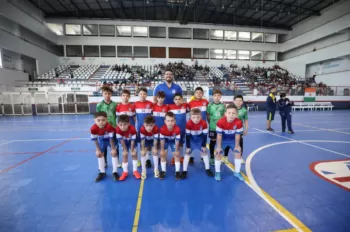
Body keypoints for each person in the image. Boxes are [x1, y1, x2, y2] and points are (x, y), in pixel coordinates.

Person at [215, 105, 244, 181]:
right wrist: (218, 147)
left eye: (233, 113)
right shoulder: (220, 122)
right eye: (229, 113)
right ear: (225, 114)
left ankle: (237, 172)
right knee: (218, 153)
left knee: (238, 152)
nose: (231, 115)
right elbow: (219, 135)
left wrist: (237, 146)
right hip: (222, 141)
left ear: (236, 114)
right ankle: (217, 172)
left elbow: (238, 136)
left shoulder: (239, 122)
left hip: (233, 141)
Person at [183, 108, 214, 179]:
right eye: (193, 117)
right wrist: (188, 147)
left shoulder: (204, 123)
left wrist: (203, 145)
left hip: (200, 141)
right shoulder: (188, 123)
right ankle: (184, 171)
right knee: (187, 154)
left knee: (205, 152)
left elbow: (204, 135)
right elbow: (187, 136)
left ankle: (207, 169)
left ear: (201, 117)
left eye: (198, 117)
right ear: (190, 117)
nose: (196, 119)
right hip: (191, 141)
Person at [90, 112, 118, 182]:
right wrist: (98, 149)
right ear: (94, 120)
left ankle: (115, 172)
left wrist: (113, 148)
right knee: (99, 154)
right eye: (98, 120)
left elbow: (111, 139)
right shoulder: (93, 128)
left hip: (111, 140)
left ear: (106, 120)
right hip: (101, 140)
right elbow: (95, 140)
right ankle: (102, 172)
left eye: (103, 120)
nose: (101, 122)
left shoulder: (109, 127)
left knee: (114, 153)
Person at [96, 86, 118, 168]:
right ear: (102, 94)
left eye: (109, 93)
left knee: (115, 146)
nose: (107, 95)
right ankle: (104, 162)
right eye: (105, 93)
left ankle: (117, 161)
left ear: (111, 94)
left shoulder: (115, 104)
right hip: (103, 129)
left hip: (113, 128)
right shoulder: (99, 105)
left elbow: (116, 116)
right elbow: (97, 118)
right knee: (103, 146)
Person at [224, 95, 248, 163]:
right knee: (228, 143)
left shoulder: (244, 110)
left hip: (239, 130)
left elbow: (246, 120)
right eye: (236, 100)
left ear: (242, 102)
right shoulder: (230, 109)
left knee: (240, 144)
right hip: (230, 130)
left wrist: (246, 129)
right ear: (234, 101)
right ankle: (225, 157)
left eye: (240, 100)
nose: (238, 102)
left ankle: (240, 157)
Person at [116, 115, 140, 181]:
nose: (122, 127)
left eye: (125, 124)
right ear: (118, 124)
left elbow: (133, 141)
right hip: (124, 143)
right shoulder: (117, 129)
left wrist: (132, 150)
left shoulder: (132, 129)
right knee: (125, 155)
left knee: (134, 154)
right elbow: (122, 141)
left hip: (132, 142)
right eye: (120, 125)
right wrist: (125, 150)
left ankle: (135, 171)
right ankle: (125, 172)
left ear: (129, 123)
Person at [134, 87, 153, 168]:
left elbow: (152, 115)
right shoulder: (135, 104)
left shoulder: (150, 104)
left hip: (149, 128)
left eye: (144, 94)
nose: (142, 95)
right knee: (141, 144)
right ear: (138, 94)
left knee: (148, 144)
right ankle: (142, 159)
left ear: (146, 95)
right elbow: (134, 117)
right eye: (141, 94)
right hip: (140, 128)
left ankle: (148, 159)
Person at [159, 112, 181, 180]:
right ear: (165, 121)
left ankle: (177, 171)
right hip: (165, 142)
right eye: (168, 121)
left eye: (172, 121)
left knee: (177, 155)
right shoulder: (162, 129)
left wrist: (177, 151)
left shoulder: (177, 129)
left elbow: (177, 141)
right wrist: (162, 150)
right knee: (163, 155)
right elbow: (162, 141)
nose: (170, 123)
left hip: (173, 142)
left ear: (175, 121)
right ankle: (163, 171)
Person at [168, 93, 188, 165]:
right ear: (173, 100)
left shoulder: (185, 106)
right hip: (174, 129)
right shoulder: (170, 107)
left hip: (182, 128)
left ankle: (181, 156)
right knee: (174, 143)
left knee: (181, 143)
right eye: (176, 99)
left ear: (182, 99)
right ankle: (175, 156)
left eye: (179, 99)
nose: (177, 101)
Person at [207, 89, 225, 166]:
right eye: (215, 95)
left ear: (220, 96)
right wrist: (210, 123)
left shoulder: (223, 105)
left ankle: (219, 156)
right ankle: (211, 157)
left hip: (221, 128)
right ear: (212, 96)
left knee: (220, 142)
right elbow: (208, 115)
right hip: (212, 127)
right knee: (213, 141)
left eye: (218, 95)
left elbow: (224, 116)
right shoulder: (210, 105)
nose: (217, 97)